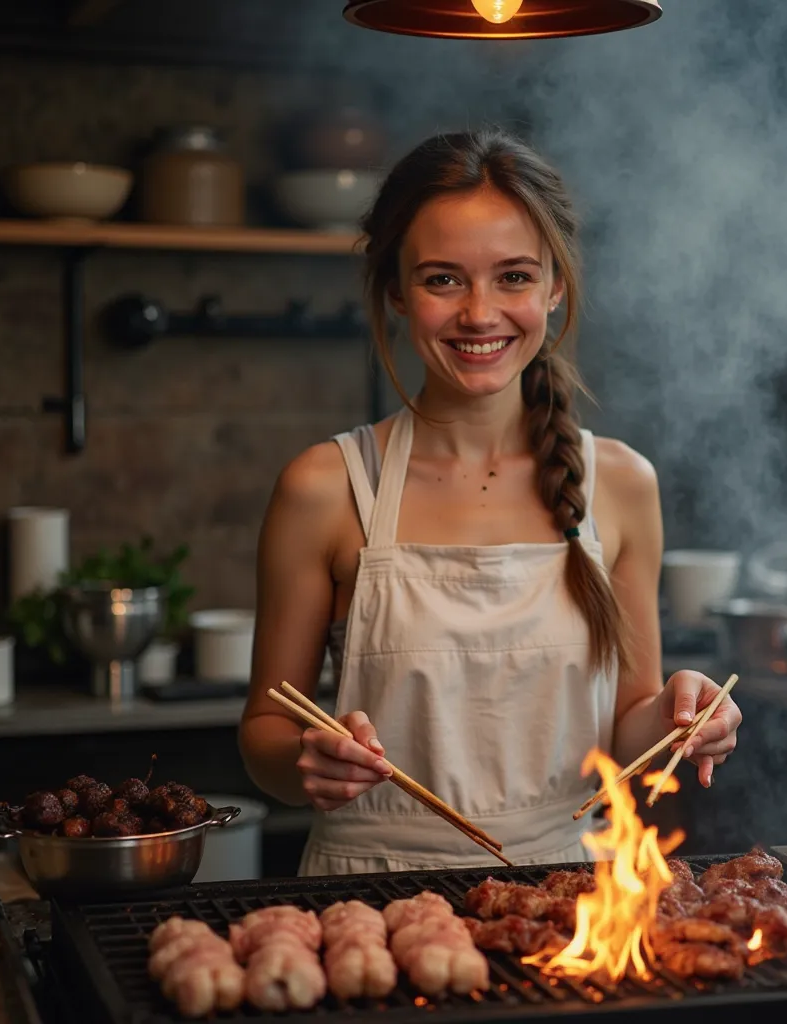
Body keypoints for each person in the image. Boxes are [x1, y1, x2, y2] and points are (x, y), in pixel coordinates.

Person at [239, 128, 742, 875]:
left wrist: (684, 713)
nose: (480, 314)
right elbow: (265, 733)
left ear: (555, 287)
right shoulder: (326, 486)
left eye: (513, 277)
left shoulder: (623, 485)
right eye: (444, 279)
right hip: (367, 893)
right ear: (396, 291)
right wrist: (305, 764)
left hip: (568, 902)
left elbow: (628, 731)